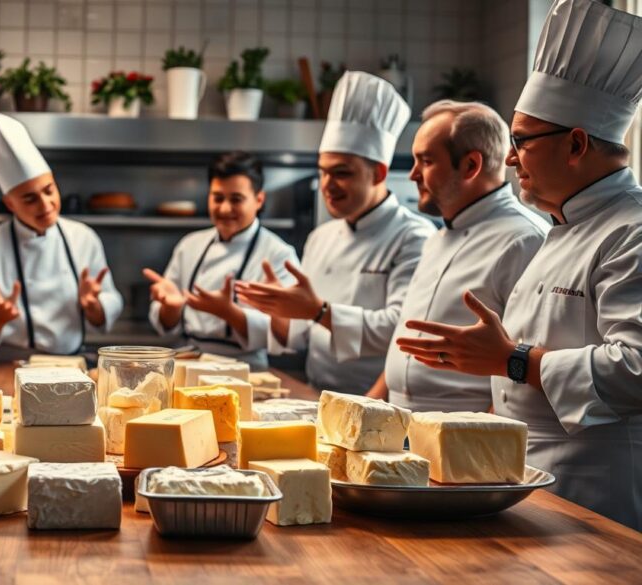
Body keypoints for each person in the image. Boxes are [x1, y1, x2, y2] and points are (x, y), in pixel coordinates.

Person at [396, 0, 642, 530]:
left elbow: (637, 368)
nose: (511, 159)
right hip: (524, 484)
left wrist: (515, 360)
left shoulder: (632, 232)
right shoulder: (560, 226)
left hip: (598, 492)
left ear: (576, 144)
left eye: (523, 142)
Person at [236, 71, 434, 392]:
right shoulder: (321, 237)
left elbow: (403, 329)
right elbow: (303, 334)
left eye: (341, 173)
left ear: (378, 172)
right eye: (323, 172)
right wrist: (280, 311)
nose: (327, 185)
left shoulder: (414, 236)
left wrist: (318, 310)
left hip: (380, 405)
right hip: (316, 395)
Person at [365, 100, 548, 412]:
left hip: (458, 442)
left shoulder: (525, 239)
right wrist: (363, 407)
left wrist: (480, 446)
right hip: (398, 427)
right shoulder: (436, 238)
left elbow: (519, 372)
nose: (412, 175)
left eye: (425, 162)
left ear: (470, 166)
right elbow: (405, 350)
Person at [0, 113, 123, 361]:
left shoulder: (84, 238)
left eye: (49, 190)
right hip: (8, 366)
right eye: (30, 198)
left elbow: (111, 299)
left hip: (70, 364)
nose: (45, 205)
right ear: (9, 203)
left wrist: (94, 306)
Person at [142, 151, 300, 367]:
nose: (225, 208)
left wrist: (229, 313)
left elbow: (290, 334)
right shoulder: (190, 245)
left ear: (259, 199)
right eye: (218, 198)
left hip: (247, 369)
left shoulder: (279, 254)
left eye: (236, 199)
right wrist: (171, 308)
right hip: (189, 363)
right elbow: (166, 325)